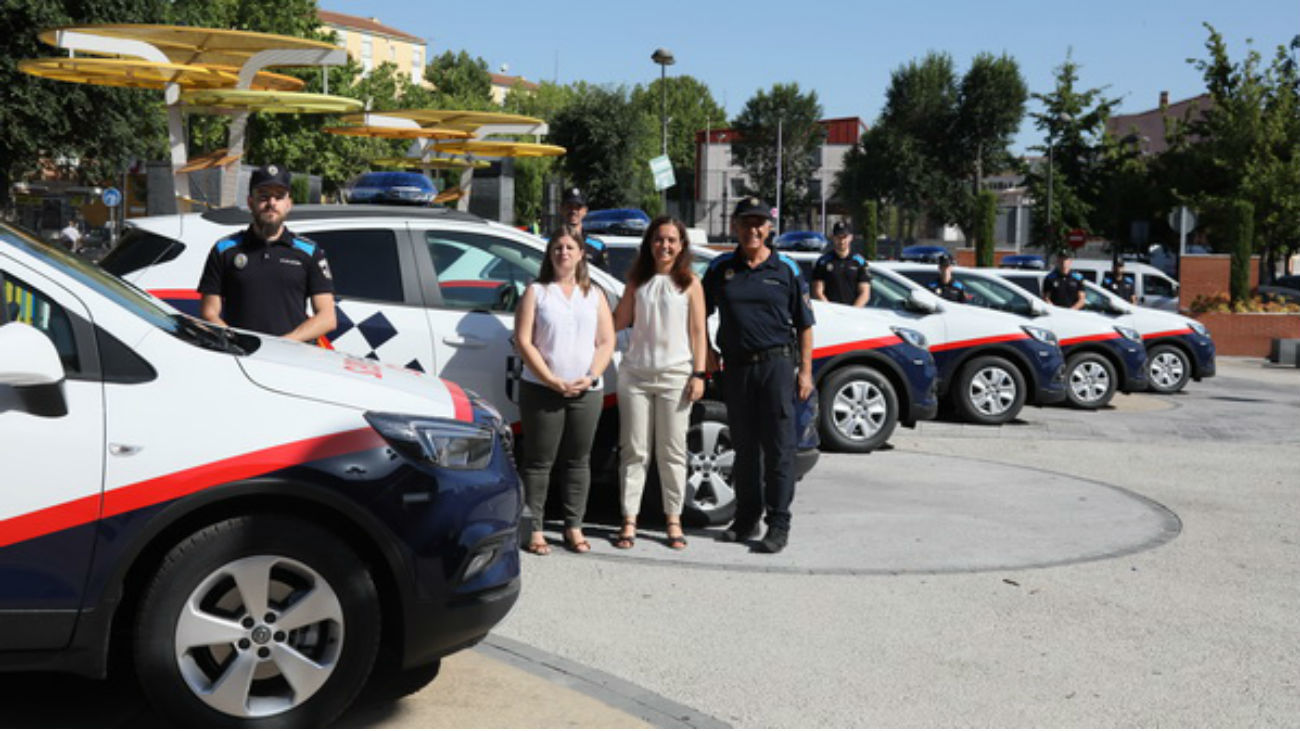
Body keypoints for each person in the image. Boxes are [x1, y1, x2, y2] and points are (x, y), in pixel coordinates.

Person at [702, 197, 814, 554]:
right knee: (745, 449)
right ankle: (746, 518)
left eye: (759, 223)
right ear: (734, 226)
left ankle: (778, 523)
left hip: (776, 366)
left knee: (779, 449)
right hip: (736, 369)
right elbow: (698, 313)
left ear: (769, 228)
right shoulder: (721, 268)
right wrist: (706, 351)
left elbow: (805, 324)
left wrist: (805, 371)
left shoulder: (786, 269)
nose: (752, 229)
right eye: (746, 223)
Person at [514, 227, 616, 555]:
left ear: (581, 253)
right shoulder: (536, 292)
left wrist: (591, 376)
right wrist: (549, 379)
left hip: (587, 391)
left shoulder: (594, 294)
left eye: (570, 247)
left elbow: (606, 341)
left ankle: (574, 526)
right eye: (557, 247)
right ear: (550, 254)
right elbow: (524, 341)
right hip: (542, 389)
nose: (563, 253)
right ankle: (535, 528)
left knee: (578, 461)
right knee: (538, 462)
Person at [611, 216, 708, 551]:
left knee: (672, 452)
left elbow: (698, 332)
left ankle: (673, 520)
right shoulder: (637, 280)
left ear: (681, 246)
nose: (664, 246)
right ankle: (629, 520)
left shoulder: (690, 283)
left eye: (671, 240)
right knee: (634, 451)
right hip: (635, 375)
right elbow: (619, 320)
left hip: (675, 376)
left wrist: (699, 374)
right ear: (649, 243)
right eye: (658, 239)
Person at [198, 164, 336, 341]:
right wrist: (238, 344)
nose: (271, 203)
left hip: (293, 355)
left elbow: (327, 318)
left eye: (279, 197)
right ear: (250, 202)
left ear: (289, 204)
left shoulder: (310, 252)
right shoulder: (224, 249)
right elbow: (209, 313)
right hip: (240, 353)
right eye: (263, 196)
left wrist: (283, 345)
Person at [810, 221, 871, 306]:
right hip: (829, 311)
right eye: (838, 237)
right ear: (833, 238)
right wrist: (831, 310)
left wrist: (852, 311)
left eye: (844, 237)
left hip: (853, 311)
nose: (841, 241)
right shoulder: (823, 262)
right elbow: (817, 291)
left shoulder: (859, 262)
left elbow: (865, 293)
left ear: (850, 237)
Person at [559, 186, 609, 270]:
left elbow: (603, 276)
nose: (573, 211)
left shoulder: (597, 246)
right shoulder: (549, 243)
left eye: (578, 207)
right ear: (561, 209)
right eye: (569, 206)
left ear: (585, 211)